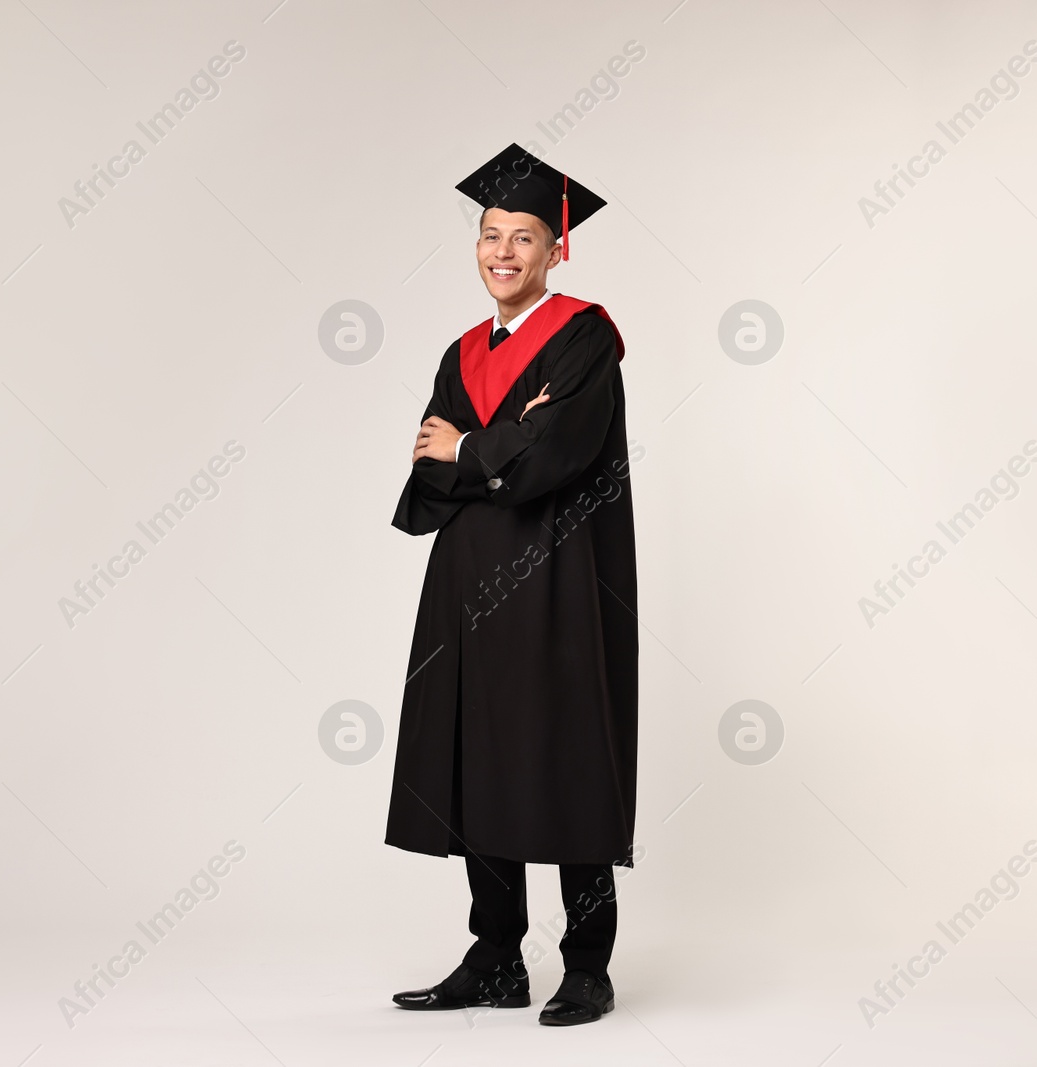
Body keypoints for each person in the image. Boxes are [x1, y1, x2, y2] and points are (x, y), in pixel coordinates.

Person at [386, 144, 639, 1027]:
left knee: (567, 758)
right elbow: (425, 473)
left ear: (555, 249)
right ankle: (496, 956)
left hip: (559, 580)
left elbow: (556, 456)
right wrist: (494, 449)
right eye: (491, 235)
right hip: (464, 585)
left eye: (523, 237)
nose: (503, 252)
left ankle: (588, 968)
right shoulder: (462, 350)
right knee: (475, 762)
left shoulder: (583, 338)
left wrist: (474, 451)